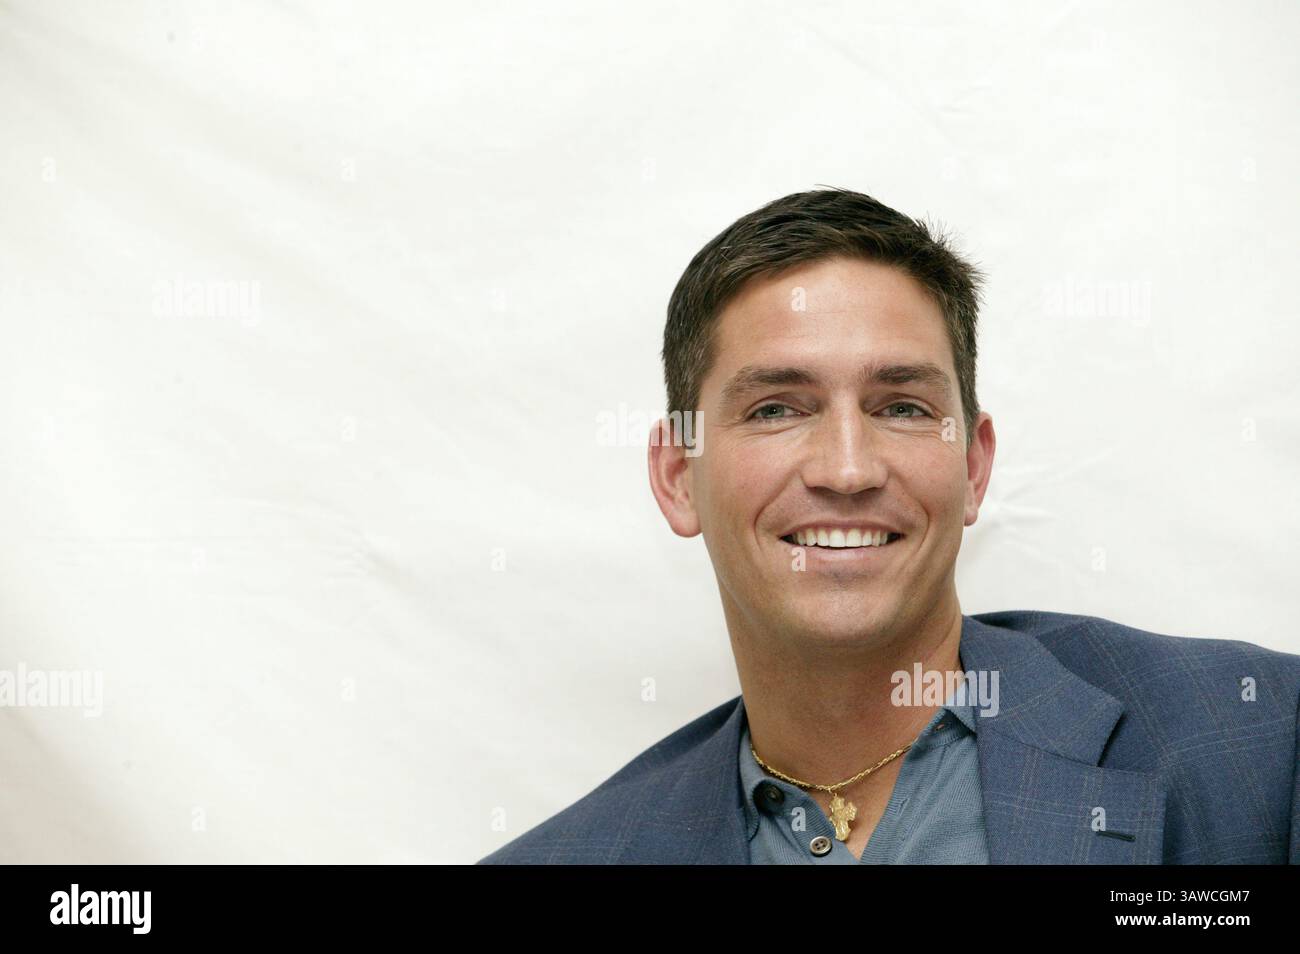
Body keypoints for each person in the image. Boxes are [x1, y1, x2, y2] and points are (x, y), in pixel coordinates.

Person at [479, 187, 1300, 864]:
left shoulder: (1260, 741)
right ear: (676, 477)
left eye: (902, 407)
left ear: (974, 467)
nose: (847, 468)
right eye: (776, 409)